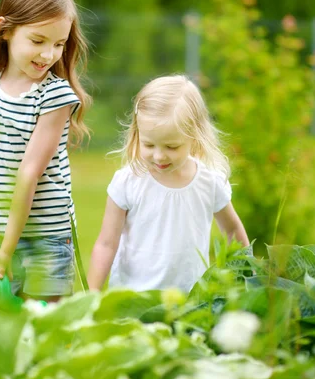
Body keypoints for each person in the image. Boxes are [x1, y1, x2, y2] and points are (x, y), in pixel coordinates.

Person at [0, 0, 91, 303]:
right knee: (2, 328)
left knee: (43, 330)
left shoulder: (54, 96)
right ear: (5, 30)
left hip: (47, 241)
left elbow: (28, 174)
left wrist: (7, 249)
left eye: (59, 44)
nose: (48, 55)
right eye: (38, 41)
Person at [87, 75, 249, 294]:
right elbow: (106, 244)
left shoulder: (209, 182)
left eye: (171, 147)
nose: (159, 156)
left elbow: (232, 230)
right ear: (137, 135)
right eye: (149, 144)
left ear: (195, 137)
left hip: (190, 301)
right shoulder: (128, 181)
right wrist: (92, 294)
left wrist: (246, 278)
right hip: (131, 299)